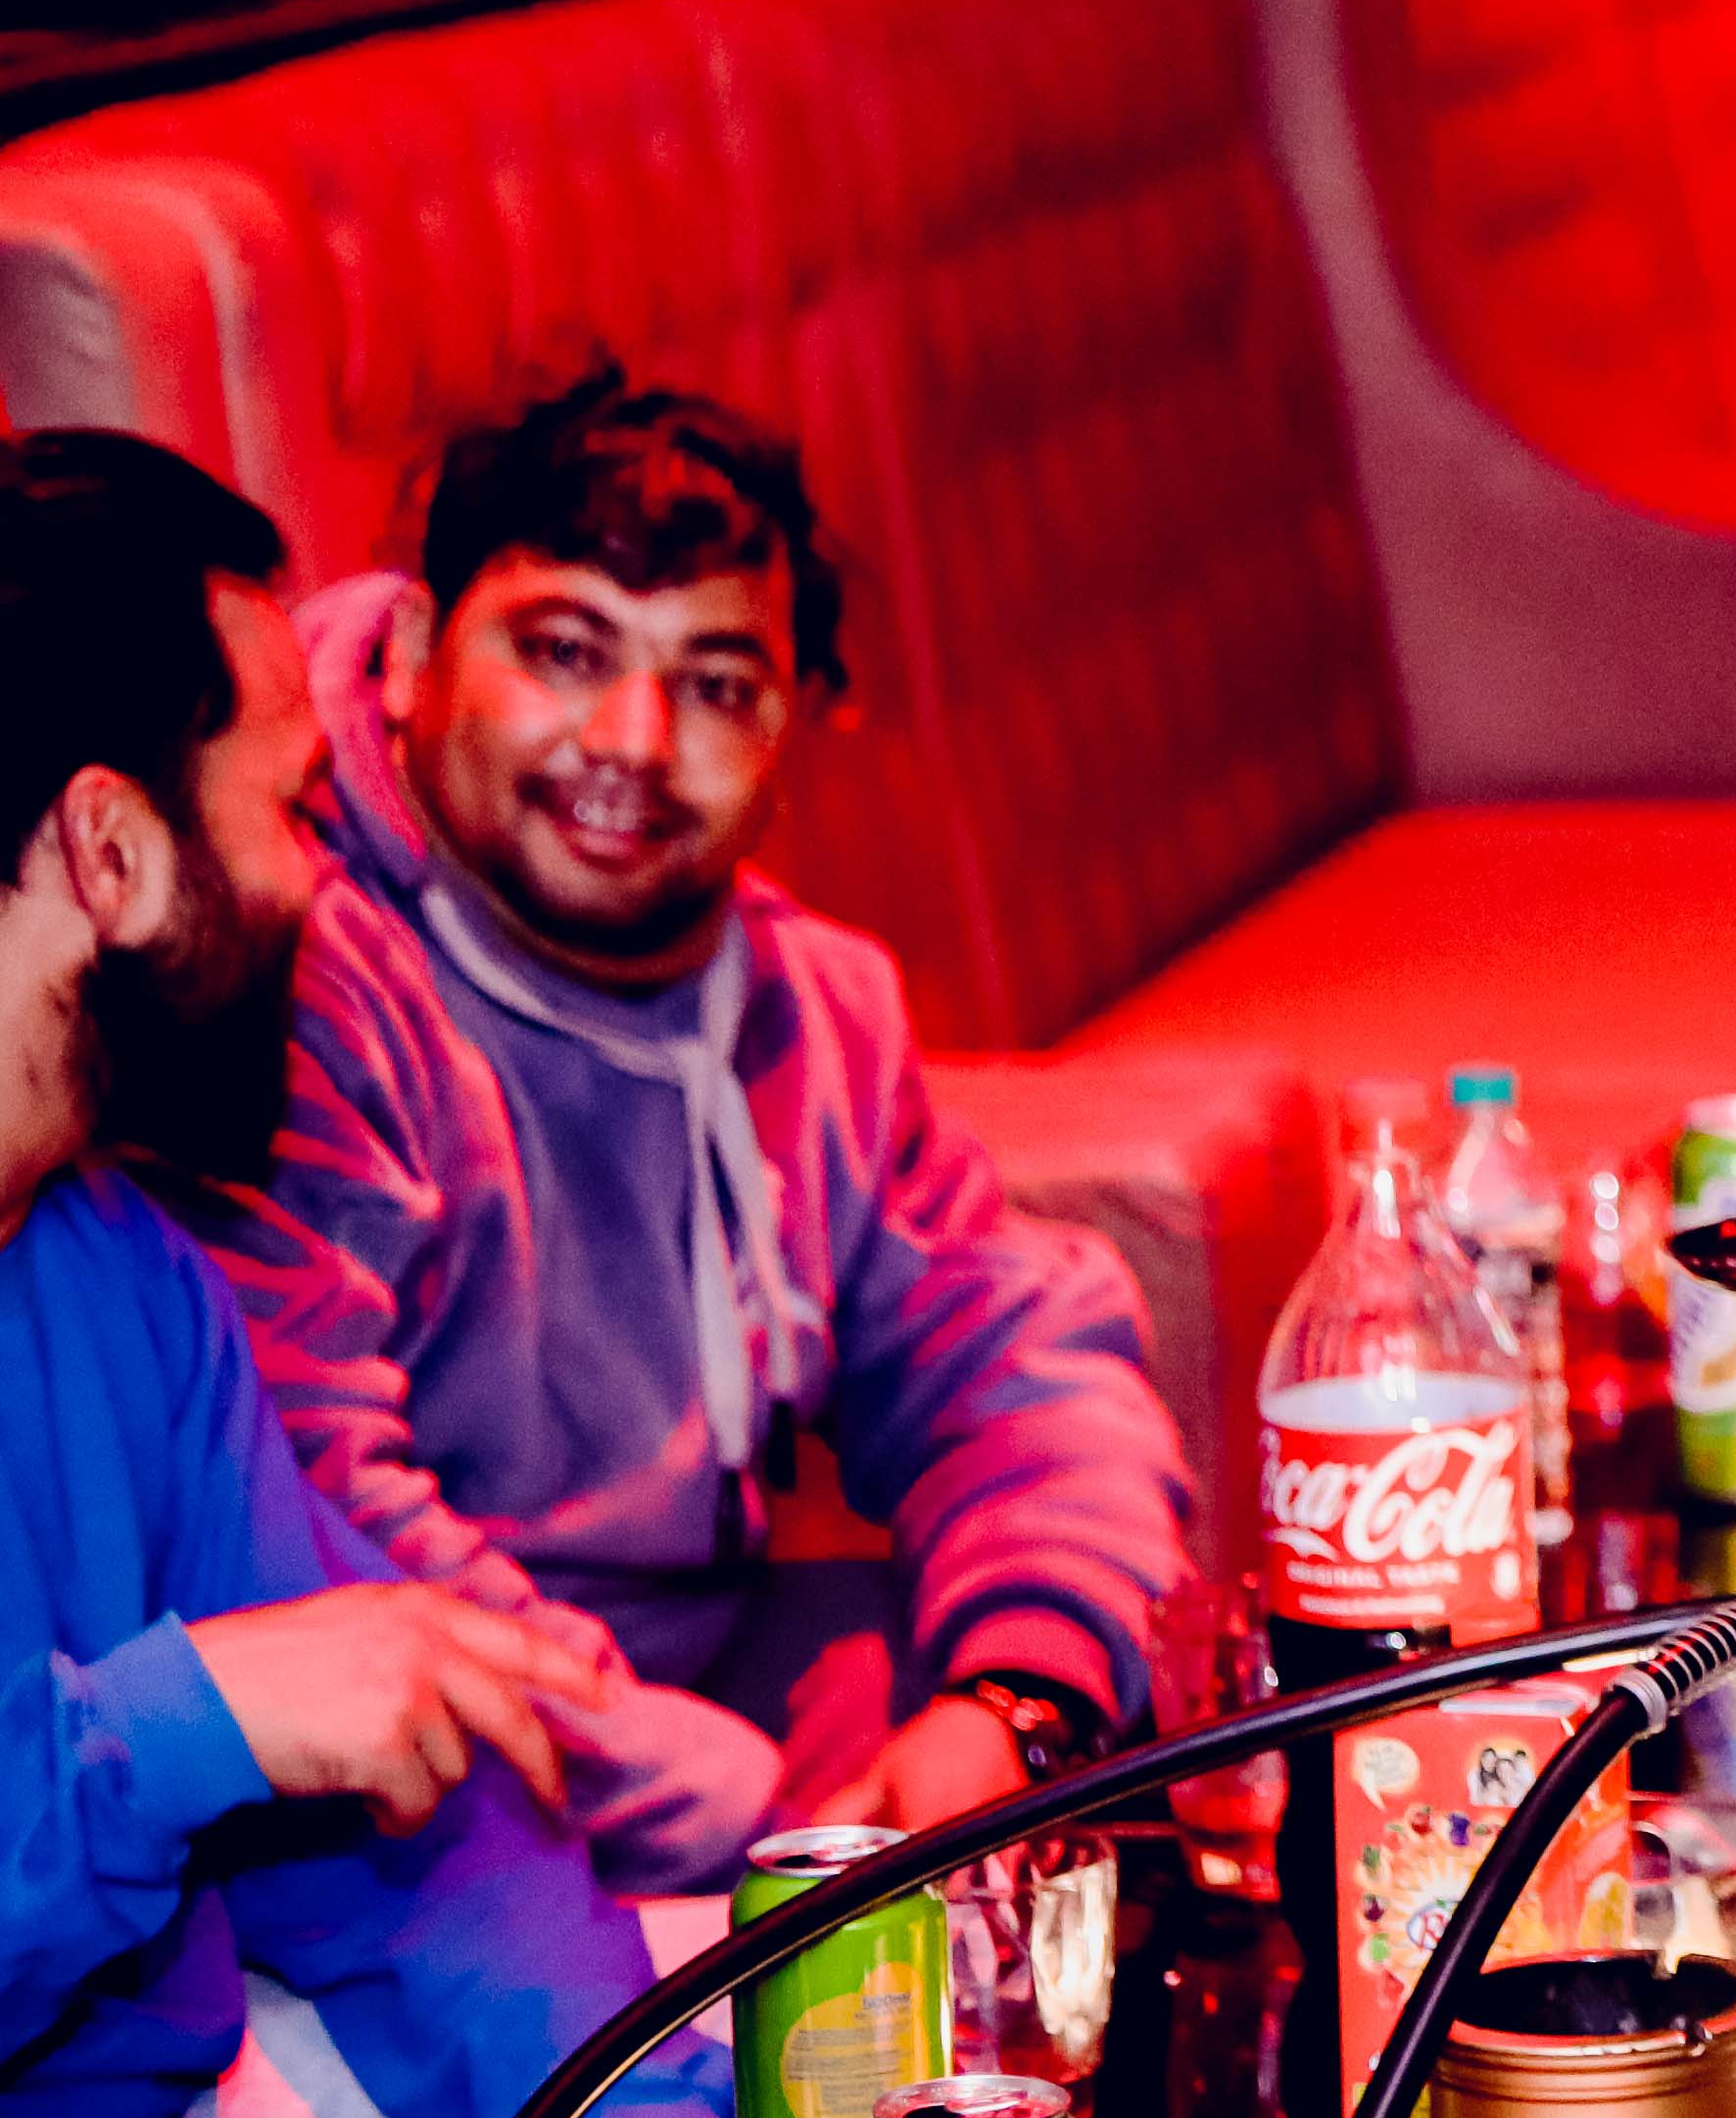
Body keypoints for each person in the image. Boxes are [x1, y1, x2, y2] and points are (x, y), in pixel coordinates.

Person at [174, 369, 1197, 1892]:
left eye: (716, 685)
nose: (636, 741)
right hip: (394, 1786)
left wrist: (1015, 1710)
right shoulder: (295, 969)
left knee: (1115, 1775)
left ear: (799, 724)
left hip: (701, 1712)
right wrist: (771, 1825)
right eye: (563, 651)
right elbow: (304, 1509)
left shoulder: (809, 1008)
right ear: (411, 654)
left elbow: (1015, 1368)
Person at [0, 432, 742, 2118]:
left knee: (850, 2051)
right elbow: (231, 1719)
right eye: (291, 808)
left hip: (189, 2095)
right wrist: (187, 1721)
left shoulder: (115, 1262)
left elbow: (408, 1790)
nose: (322, 883)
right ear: (111, 846)